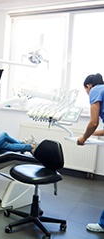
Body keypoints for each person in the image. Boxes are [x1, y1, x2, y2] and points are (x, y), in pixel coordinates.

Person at [77, 73, 104, 233]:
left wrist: (83, 138)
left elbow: (93, 122)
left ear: (88, 86)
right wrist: (91, 134)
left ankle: (102, 224)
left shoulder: (95, 90)